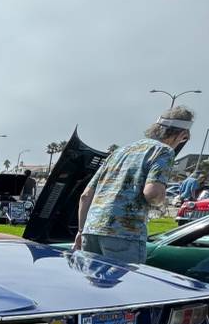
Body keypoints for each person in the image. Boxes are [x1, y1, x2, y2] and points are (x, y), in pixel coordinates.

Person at [73, 106, 192, 264]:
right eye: (184, 139)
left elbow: (85, 195)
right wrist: (161, 203)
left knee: (92, 286)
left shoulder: (119, 152)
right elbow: (152, 193)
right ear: (181, 134)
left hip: (91, 230)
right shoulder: (163, 151)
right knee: (125, 286)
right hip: (125, 234)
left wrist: (81, 230)